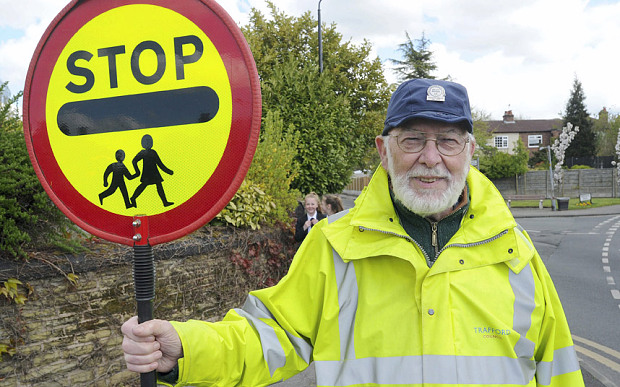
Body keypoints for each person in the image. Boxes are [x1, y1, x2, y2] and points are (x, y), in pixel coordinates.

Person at [121, 79, 584, 386]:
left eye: (447, 141)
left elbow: (560, 370)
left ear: (469, 151)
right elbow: (268, 337)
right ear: (384, 150)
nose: (430, 157)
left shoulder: (516, 253)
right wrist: (186, 349)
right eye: (413, 139)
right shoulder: (334, 246)